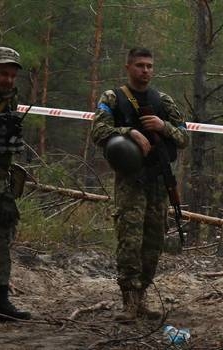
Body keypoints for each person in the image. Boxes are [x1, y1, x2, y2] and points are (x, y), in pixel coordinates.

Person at [91, 47, 188, 321]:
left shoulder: (162, 100)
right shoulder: (113, 97)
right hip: (131, 181)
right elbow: (98, 131)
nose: (145, 70)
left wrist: (162, 126)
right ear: (128, 67)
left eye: (149, 66)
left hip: (158, 181)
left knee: (153, 240)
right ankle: (129, 301)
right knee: (130, 240)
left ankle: (142, 295)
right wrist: (128, 131)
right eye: (140, 66)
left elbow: (183, 136)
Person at [0, 46, 30, 321]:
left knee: (3, 235)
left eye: (12, 75)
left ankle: (1, 299)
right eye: (2, 73)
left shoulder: (11, 99)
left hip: (1, 178)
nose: (8, 80)